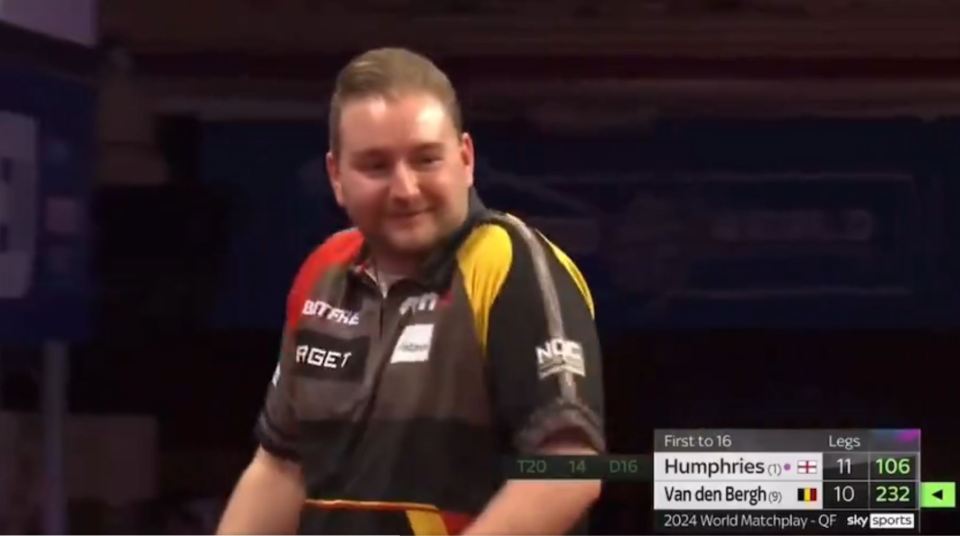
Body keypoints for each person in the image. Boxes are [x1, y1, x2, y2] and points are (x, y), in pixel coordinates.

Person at [216, 47, 606, 535]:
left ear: (465, 160)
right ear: (337, 177)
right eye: (376, 166)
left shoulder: (509, 264)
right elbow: (280, 467)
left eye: (425, 159)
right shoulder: (323, 274)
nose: (405, 189)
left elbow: (570, 471)